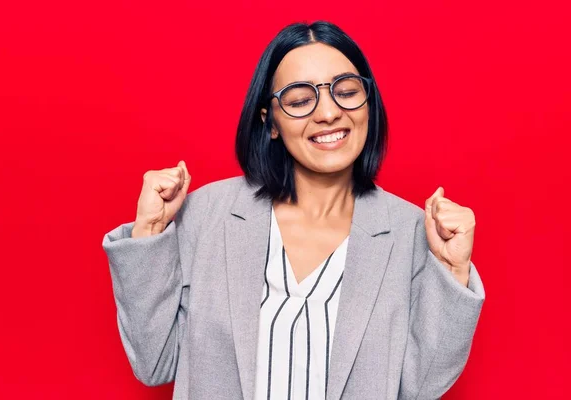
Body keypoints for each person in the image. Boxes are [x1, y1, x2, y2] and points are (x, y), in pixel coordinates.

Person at [102, 20, 485, 400]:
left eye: (347, 92)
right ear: (270, 122)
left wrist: (452, 271)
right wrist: (150, 230)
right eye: (300, 100)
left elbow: (422, 388)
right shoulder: (206, 214)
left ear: (369, 104)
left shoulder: (413, 233)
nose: (329, 113)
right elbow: (154, 363)